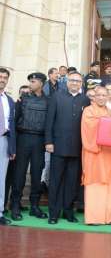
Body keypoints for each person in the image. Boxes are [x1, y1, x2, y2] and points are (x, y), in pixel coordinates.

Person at [45, 71, 89, 224]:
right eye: (72, 80)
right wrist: (48, 142)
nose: (75, 83)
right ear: (67, 81)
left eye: (78, 81)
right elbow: (49, 120)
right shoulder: (57, 96)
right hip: (58, 146)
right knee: (56, 181)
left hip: (77, 148)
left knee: (72, 182)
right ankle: (54, 213)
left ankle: (68, 211)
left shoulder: (86, 100)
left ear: (81, 83)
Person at [11, 72, 48, 221]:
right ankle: (15, 205)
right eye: (30, 81)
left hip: (39, 140)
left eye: (33, 81)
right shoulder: (22, 99)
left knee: (37, 173)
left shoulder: (49, 101)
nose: (30, 84)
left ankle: (34, 206)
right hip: (23, 138)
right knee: (19, 174)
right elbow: (14, 121)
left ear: (41, 83)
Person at [81, 86, 111, 225]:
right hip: (94, 152)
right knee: (94, 184)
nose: (102, 97)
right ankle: (93, 218)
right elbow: (88, 128)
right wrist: (106, 120)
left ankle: (107, 218)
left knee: (109, 184)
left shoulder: (109, 111)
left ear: (108, 97)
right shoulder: (88, 111)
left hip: (108, 153)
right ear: (94, 96)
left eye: (105, 95)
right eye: (99, 95)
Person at [4, 85, 30, 214]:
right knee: (8, 177)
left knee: (18, 177)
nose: (24, 95)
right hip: (12, 145)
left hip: (22, 146)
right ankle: (4, 205)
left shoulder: (29, 106)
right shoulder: (13, 105)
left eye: (27, 93)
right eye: (22, 93)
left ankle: (16, 202)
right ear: (18, 94)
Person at [0, 68, 16, 226]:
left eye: (5, 77)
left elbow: (11, 125)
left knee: (1, 179)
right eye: (0, 77)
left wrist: (12, 148)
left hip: (4, 141)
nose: (2, 79)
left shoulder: (9, 100)